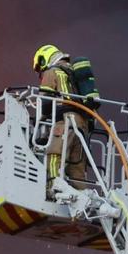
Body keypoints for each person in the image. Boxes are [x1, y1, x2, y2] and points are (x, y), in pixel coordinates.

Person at [32, 44, 90, 197]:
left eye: (40, 67)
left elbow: (45, 103)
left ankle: (52, 188)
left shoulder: (52, 72)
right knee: (76, 165)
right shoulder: (73, 73)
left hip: (66, 121)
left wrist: (38, 121)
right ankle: (81, 195)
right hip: (83, 124)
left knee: (54, 154)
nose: (41, 72)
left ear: (45, 58)